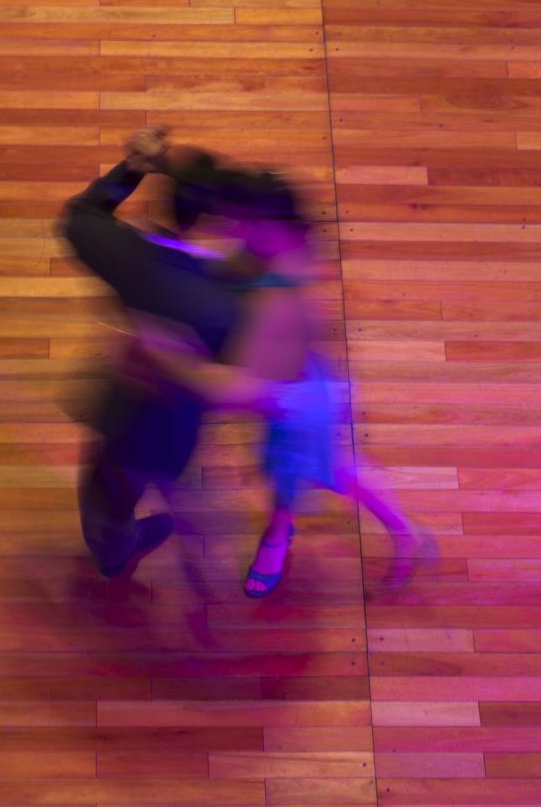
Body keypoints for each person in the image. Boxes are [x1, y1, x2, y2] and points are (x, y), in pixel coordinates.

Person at [124, 168, 426, 597]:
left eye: (241, 221)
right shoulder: (284, 249)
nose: (231, 230)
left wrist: (163, 352)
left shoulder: (279, 300)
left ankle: (282, 537)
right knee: (332, 469)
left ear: (270, 222)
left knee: (301, 475)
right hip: (307, 384)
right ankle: (399, 534)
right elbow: (230, 271)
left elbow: (233, 392)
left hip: (296, 407)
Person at [57, 127, 240, 579]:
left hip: (123, 407)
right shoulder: (232, 294)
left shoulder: (128, 253)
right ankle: (194, 547)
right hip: (182, 419)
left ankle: (114, 550)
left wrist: (132, 168)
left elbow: (79, 217)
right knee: (171, 475)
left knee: (108, 492)